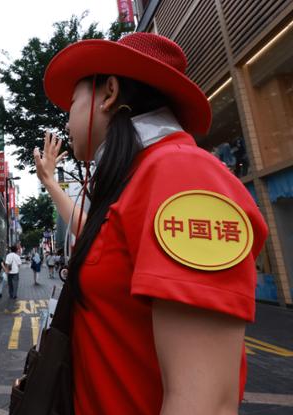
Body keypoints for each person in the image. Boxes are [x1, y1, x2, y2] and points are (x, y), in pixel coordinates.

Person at [36, 32, 268, 414]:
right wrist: (50, 183)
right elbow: (104, 246)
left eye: (73, 103)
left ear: (108, 93)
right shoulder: (138, 176)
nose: (67, 120)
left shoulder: (182, 174)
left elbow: (203, 402)